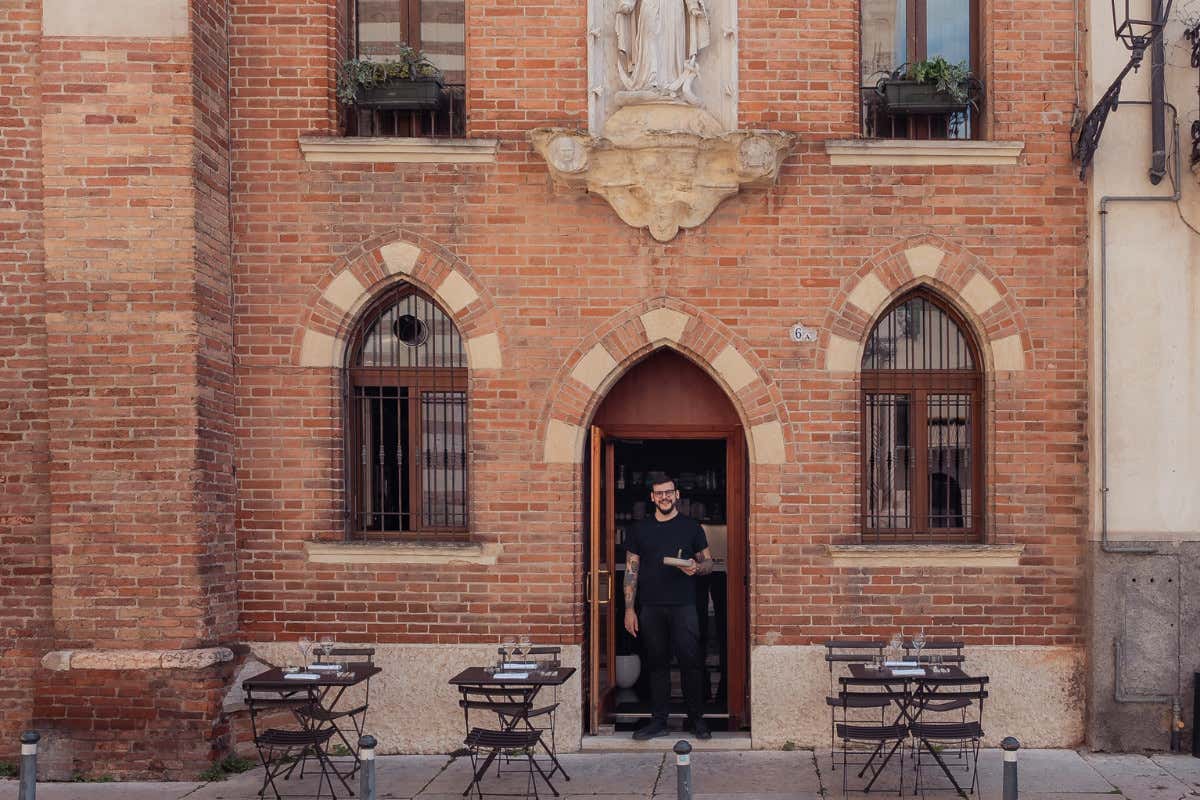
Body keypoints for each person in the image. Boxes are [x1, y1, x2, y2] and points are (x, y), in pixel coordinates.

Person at [623, 473, 713, 740]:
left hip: (684, 606)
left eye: (668, 492)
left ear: (677, 495)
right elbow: (631, 571)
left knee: (691, 664)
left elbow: (708, 563)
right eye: (659, 493)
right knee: (657, 665)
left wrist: (697, 568)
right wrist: (629, 609)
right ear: (652, 497)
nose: (664, 497)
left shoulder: (691, 527)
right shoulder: (640, 529)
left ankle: (697, 721)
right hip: (650, 607)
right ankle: (658, 722)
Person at [614, 0, 711, 107]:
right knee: (649, 38)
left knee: (670, 43)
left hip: (673, 7)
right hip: (650, 4)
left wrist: (692, 5)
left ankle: (671, 85)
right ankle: (649, 82)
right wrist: (627, 3)